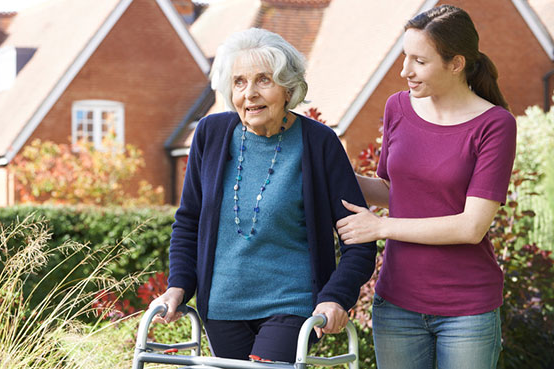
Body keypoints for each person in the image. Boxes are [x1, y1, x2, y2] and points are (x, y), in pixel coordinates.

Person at [151, 28, 376, 364]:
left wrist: (335, 297)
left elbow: (360, 239)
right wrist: (178, 286)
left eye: (263, 81)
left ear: (287, 87)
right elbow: (189, 222)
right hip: (222, 308)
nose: (250, 93)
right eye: (240, 82)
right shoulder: (210, 135)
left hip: (292, 305)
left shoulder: (318, 143)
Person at [336, 5, 516, 369]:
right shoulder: (397, 108)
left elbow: (471, 226)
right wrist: (328, 174)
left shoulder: (495, 125)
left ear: (456, 63)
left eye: (419, 61)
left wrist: (382, 226)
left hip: (466, 311)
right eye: (405, 57)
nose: (405, 71)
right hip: (397, 304)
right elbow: (394, 191)